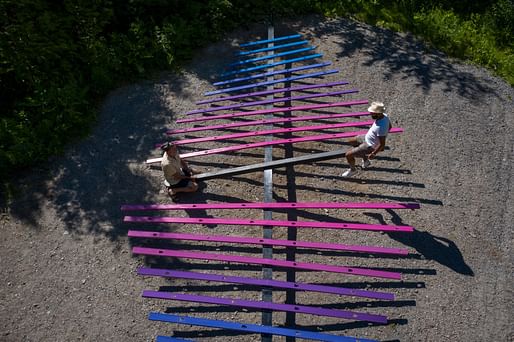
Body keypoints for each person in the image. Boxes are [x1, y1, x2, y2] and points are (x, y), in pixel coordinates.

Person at [341, 101, 392, 177]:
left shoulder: (381, 127)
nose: (370, 114)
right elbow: (390, 126)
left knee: (348, 155)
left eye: (372, 113)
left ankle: (353, 170)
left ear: (378, 113)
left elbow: (382, 144)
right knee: (351, 141)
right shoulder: (384, 115)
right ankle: (365, 160)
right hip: (367, 137)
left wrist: (373, 153)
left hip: (369, 145)